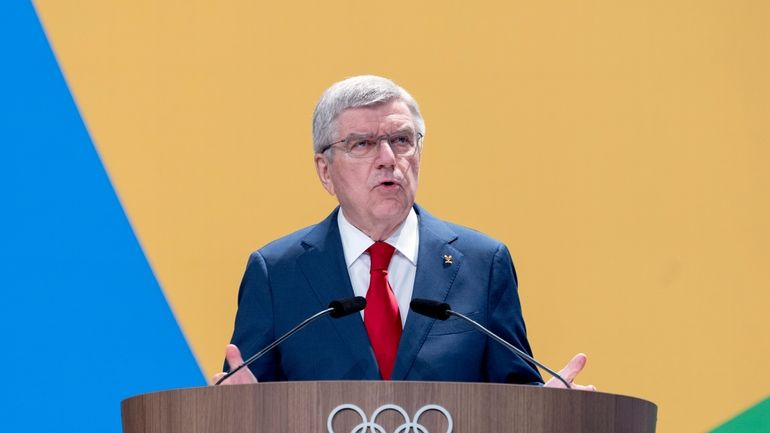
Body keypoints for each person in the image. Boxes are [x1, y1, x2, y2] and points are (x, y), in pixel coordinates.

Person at [213, 75, 595, 391]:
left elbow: (514, 397)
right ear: (325, 171)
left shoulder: (483, 264)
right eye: (362, 144)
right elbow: (249, 397)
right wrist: (235, 408)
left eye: (401, 140)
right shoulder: (278, 272)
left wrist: (547, 410)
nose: (388, 159)